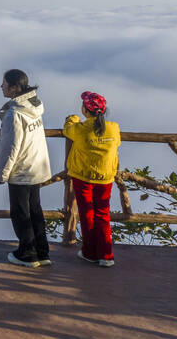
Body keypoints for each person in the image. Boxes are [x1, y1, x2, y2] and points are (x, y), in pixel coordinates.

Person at [0, 68, 52, 268]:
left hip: (21, 169)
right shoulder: (34, 105)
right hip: (36, 165)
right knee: (35, 210)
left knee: (20, 213)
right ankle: (42, 251)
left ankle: (27, 253)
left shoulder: (15, 114)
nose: (1, 86)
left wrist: (2, 174)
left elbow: (10, 148)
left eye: (4, 84)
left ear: (13, 88)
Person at [63, 91, 121, 268]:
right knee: (103, 214)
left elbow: (68, 129)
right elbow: (116, 143)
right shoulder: (114, 128)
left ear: (85, 110)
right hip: (105, 177)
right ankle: (106, 255)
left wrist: (72, 118)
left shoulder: (80, 129)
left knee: (87, 214)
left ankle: (90, 252)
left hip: (83, 177)